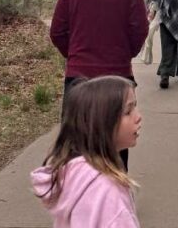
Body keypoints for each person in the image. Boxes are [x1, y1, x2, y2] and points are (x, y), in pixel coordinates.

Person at [50, 0, 149, 168]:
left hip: (78, 80)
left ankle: (80, 199)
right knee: (117, 146)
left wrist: (75, 56)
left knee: (77, 149)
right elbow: (140, 29)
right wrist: (126, 54)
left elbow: (57, 32)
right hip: (117, 76)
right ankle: (116, 199)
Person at [31, 75, 141, 228]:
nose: (138, 117)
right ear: (102, 123)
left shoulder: (74, 173)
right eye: (128, 111)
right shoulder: (109, 194)